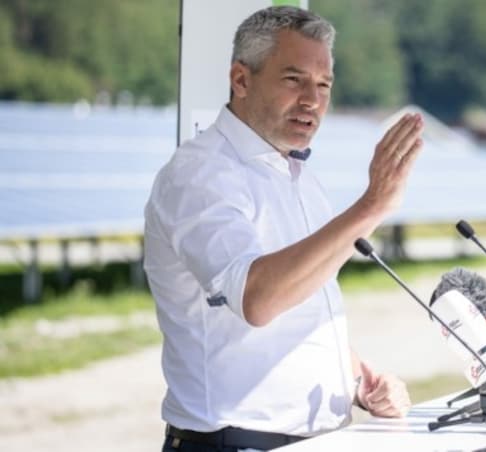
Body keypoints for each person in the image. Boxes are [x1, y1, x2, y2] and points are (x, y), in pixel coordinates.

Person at [144, 6, 424, 451]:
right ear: (241, 80)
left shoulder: (301, 179)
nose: (312, 100)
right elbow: (257, 298)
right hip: (232, 442)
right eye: (294, 80)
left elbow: (302, 306)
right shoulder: (199, 174)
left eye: (324, 85)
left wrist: (356, 379)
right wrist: (371, 206)